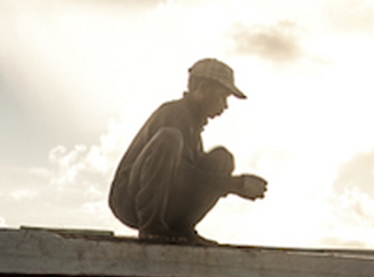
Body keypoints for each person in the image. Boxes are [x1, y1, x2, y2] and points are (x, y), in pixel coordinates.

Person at [108, 58, 268, 243]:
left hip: (167, 200)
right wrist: (234, 184)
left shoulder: (194, 128)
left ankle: (182, 227)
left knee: (221, 159)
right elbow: (181, 173)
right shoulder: (173, 113)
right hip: (130, 200)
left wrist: (229, 183)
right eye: (221, 96)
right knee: (169, 138)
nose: (224, 106)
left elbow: (190, 177)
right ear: (202, 88)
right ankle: (151, 227)